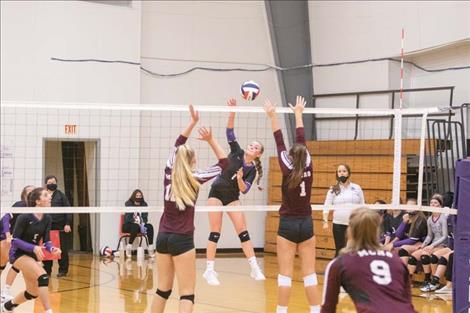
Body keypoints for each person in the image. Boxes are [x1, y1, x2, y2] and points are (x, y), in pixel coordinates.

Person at [151, 105, 228, 313]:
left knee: (162, 290)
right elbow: (225, 163)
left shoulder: (168, 173)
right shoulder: (196, 178)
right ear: (192, 161)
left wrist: (192, 123)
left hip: (163, 237)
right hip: (182, 239)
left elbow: (178, 144)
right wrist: (211, 139)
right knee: (187, 293)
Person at [264, 96, 321, 313]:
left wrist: (273, 116)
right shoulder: (309, 163)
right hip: (306, 223)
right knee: (309, 274)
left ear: (289, 157)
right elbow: (301, 139)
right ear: (305, 155)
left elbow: (279, 140)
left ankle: (281, 311)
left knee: (285, 275)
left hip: (287, 224)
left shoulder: (287, 168)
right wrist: (298, 113)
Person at [203, 98, 265, 286]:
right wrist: (233, 111)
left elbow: (245, 190)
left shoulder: (252, 169)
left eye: (256, 147)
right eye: (252, 144)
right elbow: (229, 131)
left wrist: (239, 178)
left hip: (232, 197)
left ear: (258, 154)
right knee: (215, 231)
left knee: (242, 231)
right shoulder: (236, 151)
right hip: (216, 192)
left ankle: (254, 268)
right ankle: (209, 270)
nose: (252, 147)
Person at [321, 208, 416, 313]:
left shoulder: (341, 263)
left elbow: (327, 308)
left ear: (350, 231)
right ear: (377, 231)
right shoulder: (396, 260)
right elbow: (407, 302)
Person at [1, 187, 61, 313]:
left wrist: (52, 248)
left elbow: (46, 241)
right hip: (17, 254)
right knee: (43, 276)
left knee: (32, 292)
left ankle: (8, 306)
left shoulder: (47, 218)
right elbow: (15, 240)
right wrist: (33, 247)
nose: (50, 197)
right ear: (38, 201)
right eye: (46, 195)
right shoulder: (24, 217)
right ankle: (48, 311)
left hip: (31, 256)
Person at [1, 185, 34, 302]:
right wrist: (7, 234)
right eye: (30, 191)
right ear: (24, 195)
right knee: (12, 263)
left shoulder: (35, 210)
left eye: (34, 191)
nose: (32, 193)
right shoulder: (20, 205)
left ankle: (5, 291)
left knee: (6, 264)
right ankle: (5, 292)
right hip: (4, 237)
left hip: (17, 241)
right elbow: (5, 217)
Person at [405, 194, 448, 287]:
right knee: (413, 256)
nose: (433, 204)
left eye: (435, 203)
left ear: (440, 205)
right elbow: (429, 235)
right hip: (433, 243)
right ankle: (411, 280)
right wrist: (424, 245)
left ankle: (431, 280)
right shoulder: (429, 219)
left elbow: (444, 236)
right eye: (431, 203)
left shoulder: (443, 218)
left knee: (425, 255)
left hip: (443, 244)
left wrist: (432, 245)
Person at [323, 164, 365, 256]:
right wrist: (325, 222)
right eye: (339, 171)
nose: (341, 173)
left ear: (348, 173)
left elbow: (362, 205)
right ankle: (337, 269)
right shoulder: (333, 189)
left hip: (354, 224)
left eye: (344, 171)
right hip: (338, 224)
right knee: (340, 250)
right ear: (337, 174)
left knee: (354, 249)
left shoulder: (357, 188)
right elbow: (326, 206)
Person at [42, 175, 72, 278]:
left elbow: (68, 210)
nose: (52, 184)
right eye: (50, 182)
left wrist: (67, 223)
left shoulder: (61, 195)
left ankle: (63, 271)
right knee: (47, 249)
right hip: (47, 227)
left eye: (54, 182)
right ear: (46, 184)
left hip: (60, 226)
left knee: (62, 249)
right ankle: (47, 271)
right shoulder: (43, 196)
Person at [123, 189, 155, 258]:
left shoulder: (144, 204)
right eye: (137, 195)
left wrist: (142, 224)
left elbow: (145, 218)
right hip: (128, 225)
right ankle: (129, 247)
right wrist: (137, 222)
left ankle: (150, 248)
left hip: (140, 225)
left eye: (140, 196)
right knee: (135, 226)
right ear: (133, 196)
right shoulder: (128, 204)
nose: (138, 197)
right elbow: (128, 219)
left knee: (150, 226)